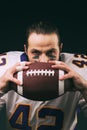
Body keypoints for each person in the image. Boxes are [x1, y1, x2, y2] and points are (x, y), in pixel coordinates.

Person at [0, 21, 87, 130]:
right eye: (35, 53)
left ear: (60, 49)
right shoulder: (7, 67)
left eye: (51, 53)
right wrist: (1, 87)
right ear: (26, 50)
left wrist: (84, 87)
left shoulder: (78, 69)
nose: (44, 61)